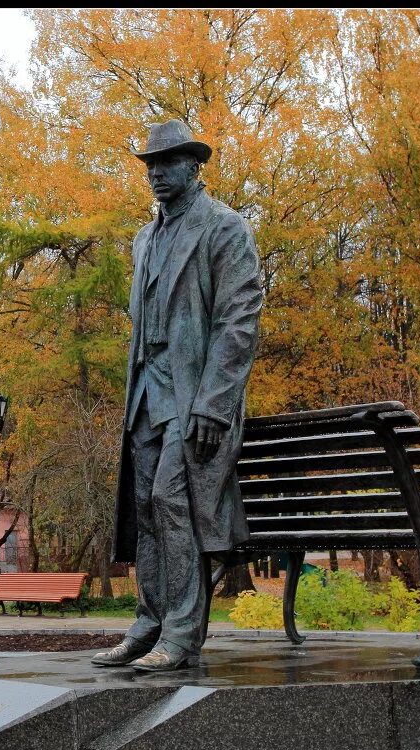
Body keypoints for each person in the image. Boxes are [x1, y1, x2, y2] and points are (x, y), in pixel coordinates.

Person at [92, 120, 264, 672]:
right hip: (147, 392)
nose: (157, 175)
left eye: (167, 164)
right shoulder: (144, 239)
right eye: (149, 166)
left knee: (171, 500)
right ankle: (149, 624)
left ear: (195, 166)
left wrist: (215, 402)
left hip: (195, 397)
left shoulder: (223, 229)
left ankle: (183, 634)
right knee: (143, 507)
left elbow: (239, 321)